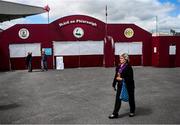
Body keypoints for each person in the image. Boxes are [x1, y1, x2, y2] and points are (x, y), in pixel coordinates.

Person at [109, 53, 135, 119]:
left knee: (131, 99)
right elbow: (116, 75)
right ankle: (115, 113)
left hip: (129, 86)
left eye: (121, 58)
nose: (120, 59)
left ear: (125, 59)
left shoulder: (129, 67)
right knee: (118, 99)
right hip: (120, 85)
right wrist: (114, 84)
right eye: (120, 58)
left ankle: (132, 111)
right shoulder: (119, 66)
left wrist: (122, 79)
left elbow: (130, 78)